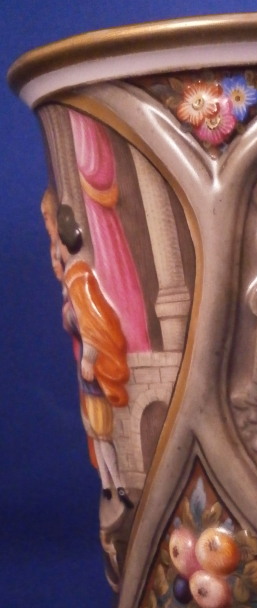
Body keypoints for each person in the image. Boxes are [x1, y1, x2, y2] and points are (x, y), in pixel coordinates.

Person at [46, 196, 133, 508]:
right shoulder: (73, 279)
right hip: (85, 367)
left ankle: (118, 485)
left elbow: (91, 322)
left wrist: (89, 357)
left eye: (56, 245)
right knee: (94, 430)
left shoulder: (79, 276)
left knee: (102, 429)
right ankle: (109, 485)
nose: (54, 254)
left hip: (93, 366)